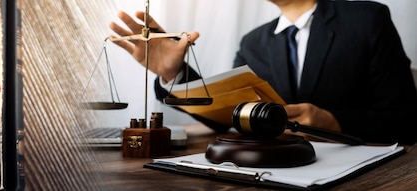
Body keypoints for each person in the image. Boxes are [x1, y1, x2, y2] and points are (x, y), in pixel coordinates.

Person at [109, 0, 417, 145]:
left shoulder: (367, 19)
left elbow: (406, 120)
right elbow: (230, 112)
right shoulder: (253, 42)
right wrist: (173, 74)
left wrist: (333, 122)